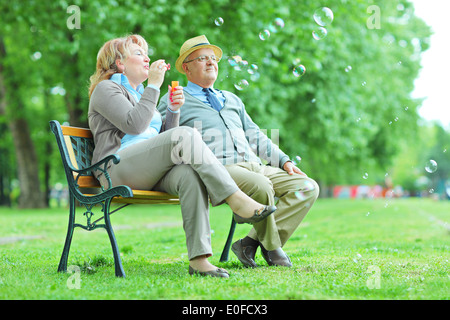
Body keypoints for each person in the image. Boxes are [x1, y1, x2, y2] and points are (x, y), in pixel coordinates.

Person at [88, 34, 276, 278]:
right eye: (139, 54)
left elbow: (163, 137)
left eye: (146, 53)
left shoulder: (140, 93)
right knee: (186, 134)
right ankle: (235, 199)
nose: (147, 58)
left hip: (145, 170)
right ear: (120, 63)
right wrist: (155, 86)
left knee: (189, 174)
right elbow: (134, 126)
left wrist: (173, 111)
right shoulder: (107, 88)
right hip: (116, 169)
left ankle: (199, 260)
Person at [157, 35, 320, 268]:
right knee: (261, 186)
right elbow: (164, 139)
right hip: (220, 170)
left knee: (307, 187)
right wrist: (174, 109)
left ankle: (249, 243)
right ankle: (273, 249)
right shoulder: (175, 98)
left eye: (213, 58)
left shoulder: (231, 99)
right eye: (202, 58)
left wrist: (284, 161)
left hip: (256, 165)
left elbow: (255, 135)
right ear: (186, 68)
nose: (211, 62)